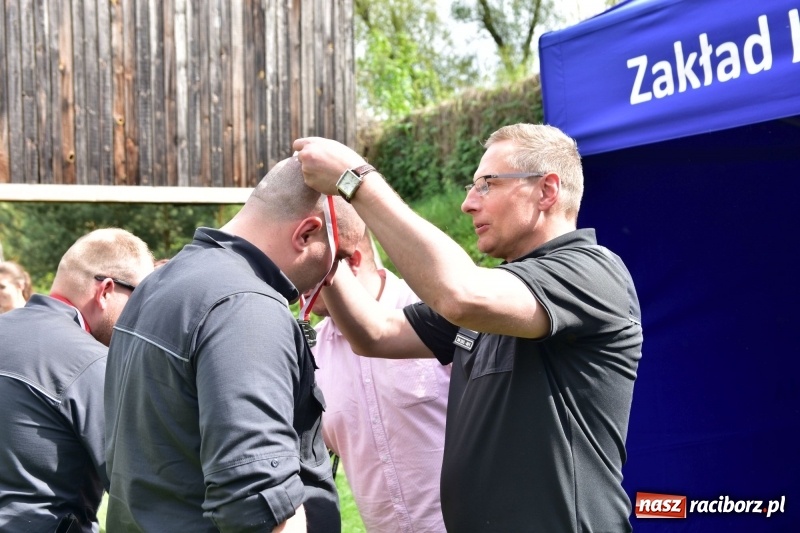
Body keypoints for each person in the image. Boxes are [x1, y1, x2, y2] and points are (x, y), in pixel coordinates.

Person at [293, 123, 643, 532]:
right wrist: (327, 253)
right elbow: (376, 333)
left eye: (486, 185)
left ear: (547, 191)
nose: (467, 204)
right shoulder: (498, 298)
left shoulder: (590, 272)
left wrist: (355, 180)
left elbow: (458, 292)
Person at [104, 156, 365, 532]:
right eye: (337, 257)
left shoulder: (161, 284)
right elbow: (256, 502)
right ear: (306, 234)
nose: (332, 276)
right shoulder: (246, 306)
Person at [0, 228, 154, 533]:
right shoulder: (92, 362)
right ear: (106, 290)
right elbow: (141, 491)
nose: (143, 313)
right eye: (141, 298)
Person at [311, 231, 450, 533]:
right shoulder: (312, 354)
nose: (298, 283)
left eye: (311, 269)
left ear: (353, 262)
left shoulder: (437, 314)